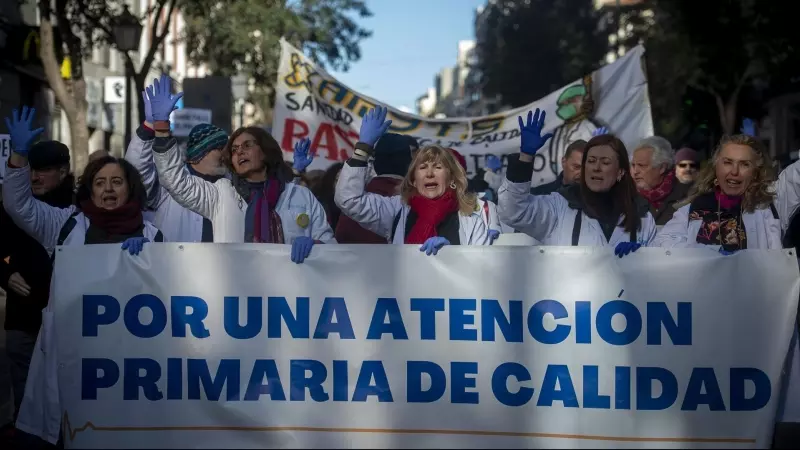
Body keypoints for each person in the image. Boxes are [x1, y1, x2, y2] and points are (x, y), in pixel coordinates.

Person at [148, 75, 334, 262]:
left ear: (265, 151)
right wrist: (162, 127)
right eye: (234, 150)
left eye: (247, 146)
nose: (239, 153)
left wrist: (316, 246)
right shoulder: (220, 194)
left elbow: (332, 247)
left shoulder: (301, 197)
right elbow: (175, 181)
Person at [3, 107, 163, 255]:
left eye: (116, 182)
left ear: (130, 188)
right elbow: (19, 205)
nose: (108, 188)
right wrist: (19, 154)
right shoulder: (65, 225)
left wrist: (151, 253)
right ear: (90, 191)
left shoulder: (152, 234)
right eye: (99, 183)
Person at [498, 109, 656, 255]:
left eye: (605, 162)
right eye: (591, 161)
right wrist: (525, 157)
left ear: (620, 172)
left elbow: (661, 268)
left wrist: (643, 256)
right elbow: (513, 212)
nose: (596, 168)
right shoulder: (559, 206)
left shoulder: (642, 216)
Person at [335, 106, 489, 254]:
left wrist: (454, 255)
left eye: (437, 167)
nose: (429, 173)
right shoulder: (397, 210)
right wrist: (363, 149)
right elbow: (349, 200)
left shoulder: (472, 218)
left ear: (451, 178)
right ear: (414, 179)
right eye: (422, 168)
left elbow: (482, 271)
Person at [0, 140, 74, 424]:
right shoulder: (10, 208)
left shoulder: (80, 210)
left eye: (44, 170)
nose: (35, 177)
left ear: (64, 170)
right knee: (26, 402)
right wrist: (5, 274)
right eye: (32, 170)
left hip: (67, 323)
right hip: (24, 320)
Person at [654, 134, 800, 251]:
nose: (734, 171)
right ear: (716, 167)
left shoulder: (771, 202)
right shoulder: (693, 209)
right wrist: (710, 253)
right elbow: (663, 246)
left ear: (756, 172)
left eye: (744, 164)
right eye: (728, 162)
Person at [125, 114, 229, 242]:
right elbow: (138, 173)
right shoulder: (166, 186)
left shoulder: (231, 188)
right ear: (200, 153)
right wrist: (148, 127)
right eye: (219, 149)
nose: (226, 155)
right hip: (172, 260)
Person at [335, 133, 415, 243]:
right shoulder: (401, 203)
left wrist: (361, 151)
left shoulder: (361, 199)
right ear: (409, 164)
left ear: (375, 163)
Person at [631, 136, 690, 226]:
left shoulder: (688, 196)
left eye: (641, 165)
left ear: (662, 167)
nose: (635, 171)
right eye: (633, 165)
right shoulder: (629, 198)